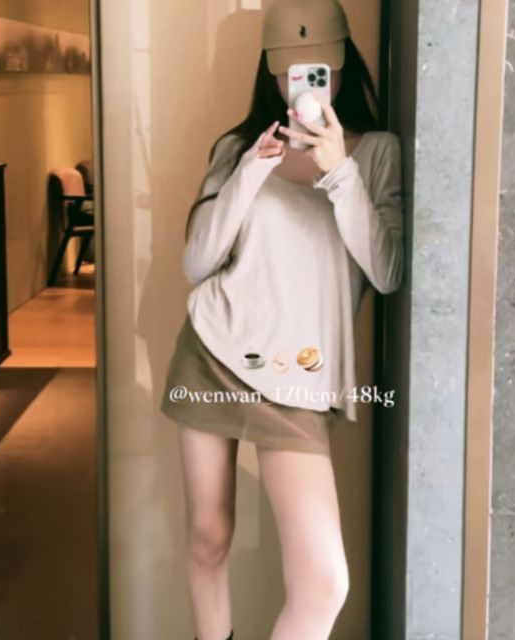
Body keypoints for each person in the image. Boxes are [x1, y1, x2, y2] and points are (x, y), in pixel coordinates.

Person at [160, 0, 404, 638]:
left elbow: (387, 272)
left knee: (323, 584)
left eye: (318, 68)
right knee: (209, 536)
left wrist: (338, 172)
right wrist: (249, 170)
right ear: (271, 71)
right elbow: (197, 262)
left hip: (298, 379)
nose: (305, 83)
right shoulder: (239, 148)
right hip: (213, 354)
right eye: (292, 70)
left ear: (343, 64)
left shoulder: (377, 154)